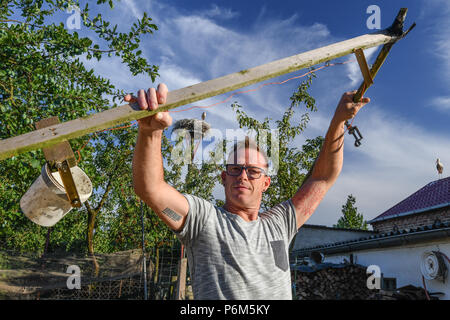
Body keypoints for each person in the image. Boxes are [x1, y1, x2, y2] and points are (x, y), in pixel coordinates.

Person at [125, 84, 370, 299]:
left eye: (253, 171)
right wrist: (150, 132)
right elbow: (151, 189)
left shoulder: (280, 223)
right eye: (235, 169)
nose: (243, 175)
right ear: (223, 178)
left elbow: (323, 177)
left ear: (265, 183)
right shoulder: (205, 220)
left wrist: (339, 121)